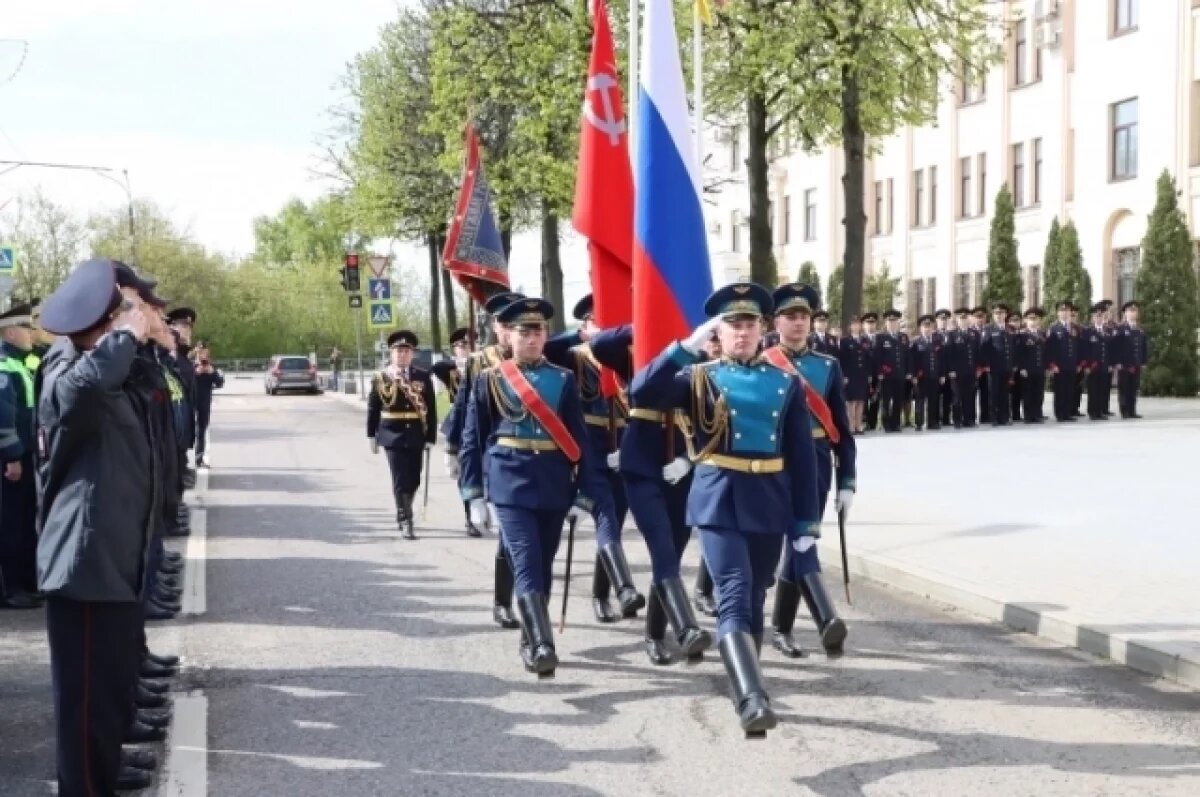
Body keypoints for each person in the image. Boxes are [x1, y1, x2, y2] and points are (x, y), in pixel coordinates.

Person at [631, 282, 820, 737]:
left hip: (769, 498)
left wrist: (805, 521)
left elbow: (802, 456)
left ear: (762, 329)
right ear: (719, 329)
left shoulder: (786, 383)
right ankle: (754, 699)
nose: (742, 331)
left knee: (755, 592)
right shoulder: (699, 375)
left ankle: (744, 684)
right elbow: (641, 392)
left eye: (749, 323)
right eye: (733, 324)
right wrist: (684, 348)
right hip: (717, 496)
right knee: (733, 590)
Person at [36, 258, 160, 794]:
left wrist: (142, 338)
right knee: (85, 712)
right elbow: (83, 393)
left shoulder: (108, 366)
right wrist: (125, 334)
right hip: (83, 565)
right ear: (106, 321)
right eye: (129, 308)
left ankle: (101, 782)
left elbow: (144, 390)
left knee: (105, 703)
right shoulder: (65, 368)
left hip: (112, 560)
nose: (143, 315)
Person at [459, 297, 616, 677]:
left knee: (543, 564)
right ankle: (544, 644)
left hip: (553, 480)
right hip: (509, 481)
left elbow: (581, 443)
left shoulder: (561, 379)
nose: (532, 339)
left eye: (538, 331)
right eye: (524, 332)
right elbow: (473, 437)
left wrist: (584, 494)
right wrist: (474, 494)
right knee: (526, 559)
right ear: (509, 335)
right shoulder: (490, 378)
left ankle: (531, 637)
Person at [590, 323, 713, 665]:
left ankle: (654, 634)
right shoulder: (636, 350)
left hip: (681, 467)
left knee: (672, 550)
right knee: (661, 546)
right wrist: (643, 317)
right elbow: (601, 346)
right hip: (642, 465)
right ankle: (686, 627)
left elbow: (712, 421)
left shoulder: (702, 359)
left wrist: (690, 460)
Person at [763, 284, 854, 659]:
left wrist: (847, 480)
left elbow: (842, 429)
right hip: (775, 463)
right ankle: (825, 617)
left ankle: (783, 628)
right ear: (776, 321)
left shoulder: (827, 366)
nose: (798, 323)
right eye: (790, 316)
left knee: (803, 540)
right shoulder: (764, 361)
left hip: (816, 462)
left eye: (804, 316)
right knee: (798, 539)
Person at [544, 294, 645, 623]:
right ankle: (622, 588)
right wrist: (581, 336)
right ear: (586, 324)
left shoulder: (628, 357)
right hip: (591, 444)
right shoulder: (573, 357)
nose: (604, 328)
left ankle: (603, 593)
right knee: (607, 516)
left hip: (624, 444)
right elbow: (549, 348)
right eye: (596, 321)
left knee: (616, 512)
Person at [447, 292, 524, 630]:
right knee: (510, 534)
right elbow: (465, 411)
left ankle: (522, 599)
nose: (509, 331)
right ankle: (505, 601)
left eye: (515, 324)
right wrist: (456, 456)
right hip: (494, 456)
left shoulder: (538, 355)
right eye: (505, 324)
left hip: (533, 460)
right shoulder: (480, 362)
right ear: (495, 326)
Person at [368, 330, 436, 539]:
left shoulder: (423, 376)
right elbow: (373, 408)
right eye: (398, 350)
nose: (402, 354)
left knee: (414, 478)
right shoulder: (381, 377)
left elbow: (431, 409)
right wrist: (371, 434)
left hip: (416, 433)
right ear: (391, 353)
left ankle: (404, 509)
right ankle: (405, 519)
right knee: (399, 478)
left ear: (412, 353)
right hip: (392, 434)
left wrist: (430, 437)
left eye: (406, 351)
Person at [0, 302, 41, 609]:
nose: (32, 333)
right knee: (12, 523)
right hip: (10, 459)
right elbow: (4, 415)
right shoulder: (4, 364)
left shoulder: (20, 361)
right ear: (11, 332)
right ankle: (13, 588)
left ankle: (27, 582)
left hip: (23, 453)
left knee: (26, 519)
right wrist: (13, 455)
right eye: (26, 328)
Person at [431, 327, 480, 537]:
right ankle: (470, 517)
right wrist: (461, 363)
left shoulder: (484, 366)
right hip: (460, 426)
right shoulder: (451, 371)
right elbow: (436, 367)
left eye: (469, 345)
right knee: (465, 474)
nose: (466, 349)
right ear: (454, 349)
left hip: (482, 425)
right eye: (461, 346)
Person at [1045, 301, 1081, 422]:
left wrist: (1079, 363)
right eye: (1062, 311)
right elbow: (1049, 348)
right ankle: (1059, 413)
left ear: (1071, 312)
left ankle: (1067, 413)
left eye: (1067, 311)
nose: (1064, 313)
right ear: (1057, 313)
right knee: (1060, 390)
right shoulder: (1053, 328)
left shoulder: (1075, 328)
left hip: (1071, 364)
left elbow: (1079, 347)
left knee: (1070, 389)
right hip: (1059, 366)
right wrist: (1052, 364)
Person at [980, 303, 1015, 426]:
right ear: (993, 315)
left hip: (1006, 366)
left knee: (1005, 393)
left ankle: (1004, 417)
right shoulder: (988, 329)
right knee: (993, 393)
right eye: (996, 313)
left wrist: (1013, 364)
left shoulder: (1010, 328)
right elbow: (984, 348)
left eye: (1001, 313)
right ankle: (993, 417)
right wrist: (986, 364)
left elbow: (1012, 348)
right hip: (994, 367)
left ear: (1005, 314)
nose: (999, 316)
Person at [909, 314, 946, 432]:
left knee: (933, 400)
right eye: (925, 326)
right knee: (920, 400)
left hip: (934, 376)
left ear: (933, 327)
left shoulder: (937, 341)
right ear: (921, 328)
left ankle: (932, 422)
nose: (927, 329)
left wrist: (942, 374)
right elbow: (912, 360)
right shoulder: (916, 342)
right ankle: (919, 423)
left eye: (929, 326)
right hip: (921, 377)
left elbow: (941, 360)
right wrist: (914, 375)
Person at [875, 309, 909, 433]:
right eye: (890, 322)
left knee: (898, 400)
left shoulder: (903, 337)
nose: (892, 324)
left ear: (897, 323)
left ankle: (896, 423)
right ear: (886, 323)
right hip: (886, 375)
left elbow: (907, 356)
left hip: (900, 374)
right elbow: (878, 356)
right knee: (886, 401)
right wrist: (880, 372)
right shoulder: (881, 337)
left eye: (894, 322)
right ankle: (886, 424)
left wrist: (908, 371)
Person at [193, 342, 224, 467]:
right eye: (200, 353)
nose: (203, 357)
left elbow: (220, 384)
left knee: (201, 431)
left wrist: (213, 373)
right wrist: (195, 373)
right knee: (187, 432)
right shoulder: (190, 366)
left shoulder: (212, 367)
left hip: (204, 404)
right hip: (190, 403)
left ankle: (199, 459)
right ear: (197, 353)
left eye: (205, 353)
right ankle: (181, 462)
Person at [1082, 302, 1115, 421]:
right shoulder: (1088, 331)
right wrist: (1085, 365)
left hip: (1104, 365)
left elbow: (1111, 349)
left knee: (1102, 389)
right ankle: (1092, 412)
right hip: (1092, 366)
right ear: (1093, 318)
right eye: (1096, 316)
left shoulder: (1107, 330)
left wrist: (1111, 364)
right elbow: (1084, 349)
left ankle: (1100, 411)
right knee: (1093, 390)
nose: (1099, 318)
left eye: (1101, 316)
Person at [838, 316, 871, 434]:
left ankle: (858, 425)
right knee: (851, 401)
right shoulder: (845, 341)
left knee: (861, 400)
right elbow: (842, 359)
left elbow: (868, 358)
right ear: (850, 327)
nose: (856, 326)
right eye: (854, 324)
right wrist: (844, 375)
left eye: (858, 324)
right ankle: (851, 426)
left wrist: (869, 374)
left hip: (862, 374)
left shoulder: (865, 340)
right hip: (850, 375)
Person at [1116, 300, 1147, 419]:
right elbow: (1116, 347)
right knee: (1124, 388)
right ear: (1125, 313)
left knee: (1133, 388)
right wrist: (1117, 362)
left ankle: (1132, 410)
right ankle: (1124, 411)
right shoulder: (1120, 328)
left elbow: (1143, 347)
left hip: (1136, 363)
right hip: (1124, 364)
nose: (1133, 313)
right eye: (1130, 311)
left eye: (1135, 311)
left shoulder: (1140, 329)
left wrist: (1143, 361)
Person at [949, 308, 979, 428]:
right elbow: (949, 353)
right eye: (961, 319)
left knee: (970, 396)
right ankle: (957, 420)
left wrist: (978, 368)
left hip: (970, 370)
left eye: (965, 318)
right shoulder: (952, 335)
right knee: (957, 397)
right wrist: (951, 369)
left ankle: (969, 419)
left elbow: (977, 352)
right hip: (957, 372)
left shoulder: (974, 334)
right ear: (957, 320)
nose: (963, 321)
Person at [1018, 308, 1047, 423]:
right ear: (1026, 320)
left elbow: (1045, 352)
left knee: (1038, 392)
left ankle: (1037, 414)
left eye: (1036, 319)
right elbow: (1019, 353)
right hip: (1028, 369)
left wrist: (1046, 367)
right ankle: (1028, 416)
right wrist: (1022, 367)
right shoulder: (1023, 335)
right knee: (1027, 393)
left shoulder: (1042, 334)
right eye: (1031, 319)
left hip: (1040, 368)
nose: (1033, 322)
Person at [933, 309, 955, 425]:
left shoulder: (952, 335)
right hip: (936, 371)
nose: (943, 322)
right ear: (936, 321)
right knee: (936, 396)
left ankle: (946, 419)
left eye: (945, 320)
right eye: (941, 320)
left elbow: (953, 355)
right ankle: (936, 419)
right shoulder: (933, 336)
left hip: (949, 372)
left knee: (948, 396)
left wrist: (952, 370)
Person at [860, 312, 881, 431]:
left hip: (877, 373)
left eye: (872, 323)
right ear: (863, 325)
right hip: (864, 373)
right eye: (868, 323)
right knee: (863, 397)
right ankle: (864, 420)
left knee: (875, 397)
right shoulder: (861, 339)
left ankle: (872, 423)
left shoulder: (880, 338)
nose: (870, 326)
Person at [971, 306, 992, 424]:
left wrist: (986, 365)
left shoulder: (989, 330)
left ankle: (985, 416)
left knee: (986, 393)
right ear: (973, 318)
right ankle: (971, 417)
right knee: (971, 393)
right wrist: (976, 367)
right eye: (977, 317)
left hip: (986, 368)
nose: (980, 320)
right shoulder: (969, 331)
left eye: (982, 317)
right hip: (973, 368)